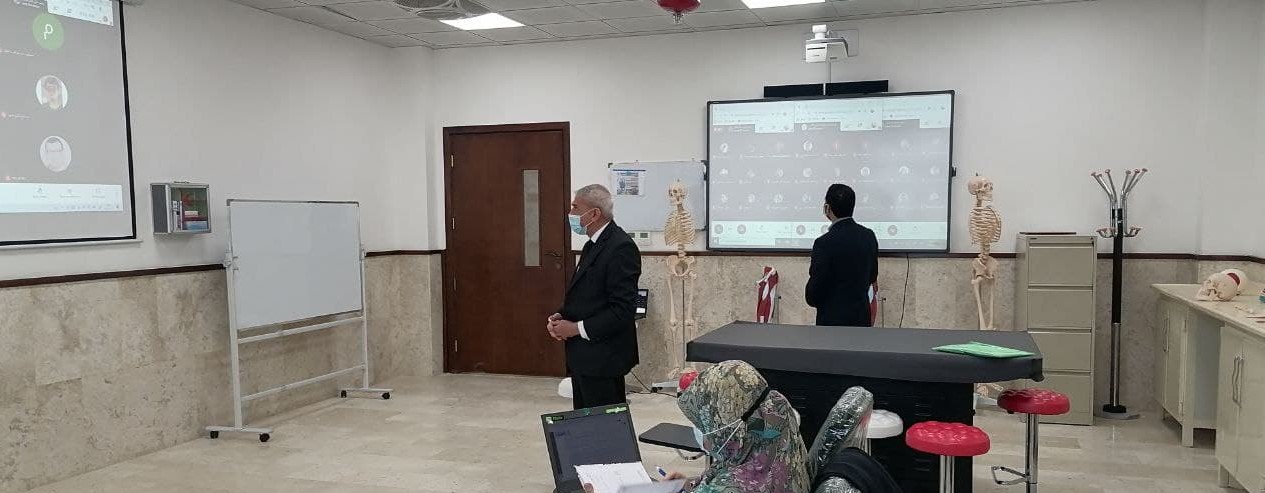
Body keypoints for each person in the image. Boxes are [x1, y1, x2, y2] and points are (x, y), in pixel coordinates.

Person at [547, 184, 642, 410]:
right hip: (584, 357)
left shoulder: (620, 247)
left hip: (604, 358)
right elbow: (588, 294)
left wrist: (575, 328)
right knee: (585, 421)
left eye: (575, 207)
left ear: (594, 214)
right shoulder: (593, 245)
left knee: (603, 424)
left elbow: (622, 310)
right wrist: (562, 316)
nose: (570, 213)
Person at [664, 360, 811, 493]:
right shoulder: (782, 430)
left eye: (705, 424)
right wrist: (691, 486)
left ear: (730, 428)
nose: (703, 434)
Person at [806, 184, 878, 327]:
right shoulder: (868, 236)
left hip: (832, 323)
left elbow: (814, 292)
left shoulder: (823, 243)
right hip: (861, 319)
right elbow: (872, 276)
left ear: (827, 208)